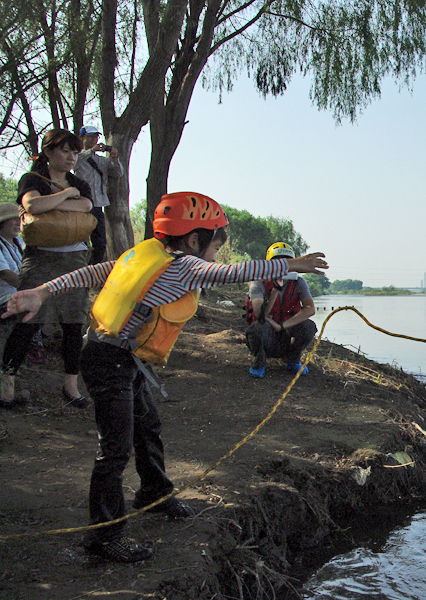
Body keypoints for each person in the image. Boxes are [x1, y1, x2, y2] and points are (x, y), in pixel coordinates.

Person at [2, 191, 327, 563]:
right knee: (114, 451)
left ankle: (154, 495)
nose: (217, 254)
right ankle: (106, 537)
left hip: (121, 358)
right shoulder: (185, 265)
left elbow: (92, 271)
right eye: (216, 245)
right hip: (111, 361)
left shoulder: (142, 254)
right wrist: (291, 265)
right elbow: (231, 273)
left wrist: (44, 290)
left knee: (148, 425)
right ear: (193, 240)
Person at [1, 128, 94, 407]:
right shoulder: (32, 179)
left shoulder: (81, 182)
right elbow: (31, 204)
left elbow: (88, 206)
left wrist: (53, 203)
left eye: (75, 152)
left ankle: (71, 387)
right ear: (49, 151)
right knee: (29, 320)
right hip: (40, 258)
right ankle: (6, 386)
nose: (71, 157)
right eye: (65, 150)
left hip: (76, 260)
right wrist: (67, 196)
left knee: (73, 324)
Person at [245, 242, 317, 378]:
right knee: (257, 327)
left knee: (309, 326)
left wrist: (281, 326)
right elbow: (260, 315)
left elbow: (310, 309)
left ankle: (292, 360)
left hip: (285, 332)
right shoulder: (258, 283)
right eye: (277, 263)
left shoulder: (299, 282)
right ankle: (259, 362)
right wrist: (275, 290)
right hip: (265, 334)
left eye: (287, 262)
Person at [74, 125, 123, 265]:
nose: (94, 140)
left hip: (98, 205)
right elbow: (74, 164)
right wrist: (91, 151)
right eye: (90, 137)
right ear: (82, 138)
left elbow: (118, 173)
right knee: (80, 242)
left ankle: (91, 271)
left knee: (100, 244)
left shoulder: (101, 160)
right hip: (81, 205)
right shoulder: (77, 156)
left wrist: (114, 157)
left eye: (96, 137)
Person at [0, 203, 22, 407]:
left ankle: (9, 386)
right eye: (12, 219)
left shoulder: (20, 243)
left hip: (19, 297)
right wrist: (34, 289)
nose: (17, 222)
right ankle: (7, 387)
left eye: (19, 218)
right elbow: (6, 275)